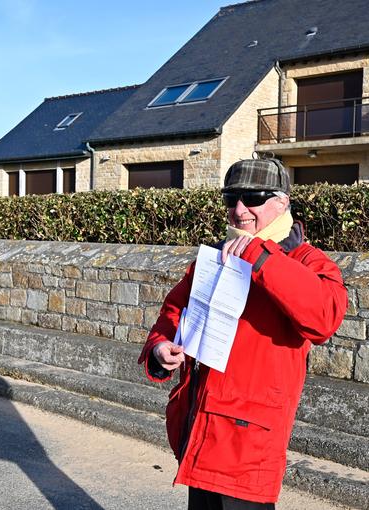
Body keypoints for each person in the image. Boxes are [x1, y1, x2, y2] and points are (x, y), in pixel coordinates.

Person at [139, 157, 348, 509]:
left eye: (253, 198)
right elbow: (174, 312)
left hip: (249, 449)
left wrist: (261, 256)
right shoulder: (217, 256)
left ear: (282, 202)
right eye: (231, 198)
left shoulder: (307, 261)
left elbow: (324, 318)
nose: (239, 210)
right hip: (200, 433)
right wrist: (161, 348)